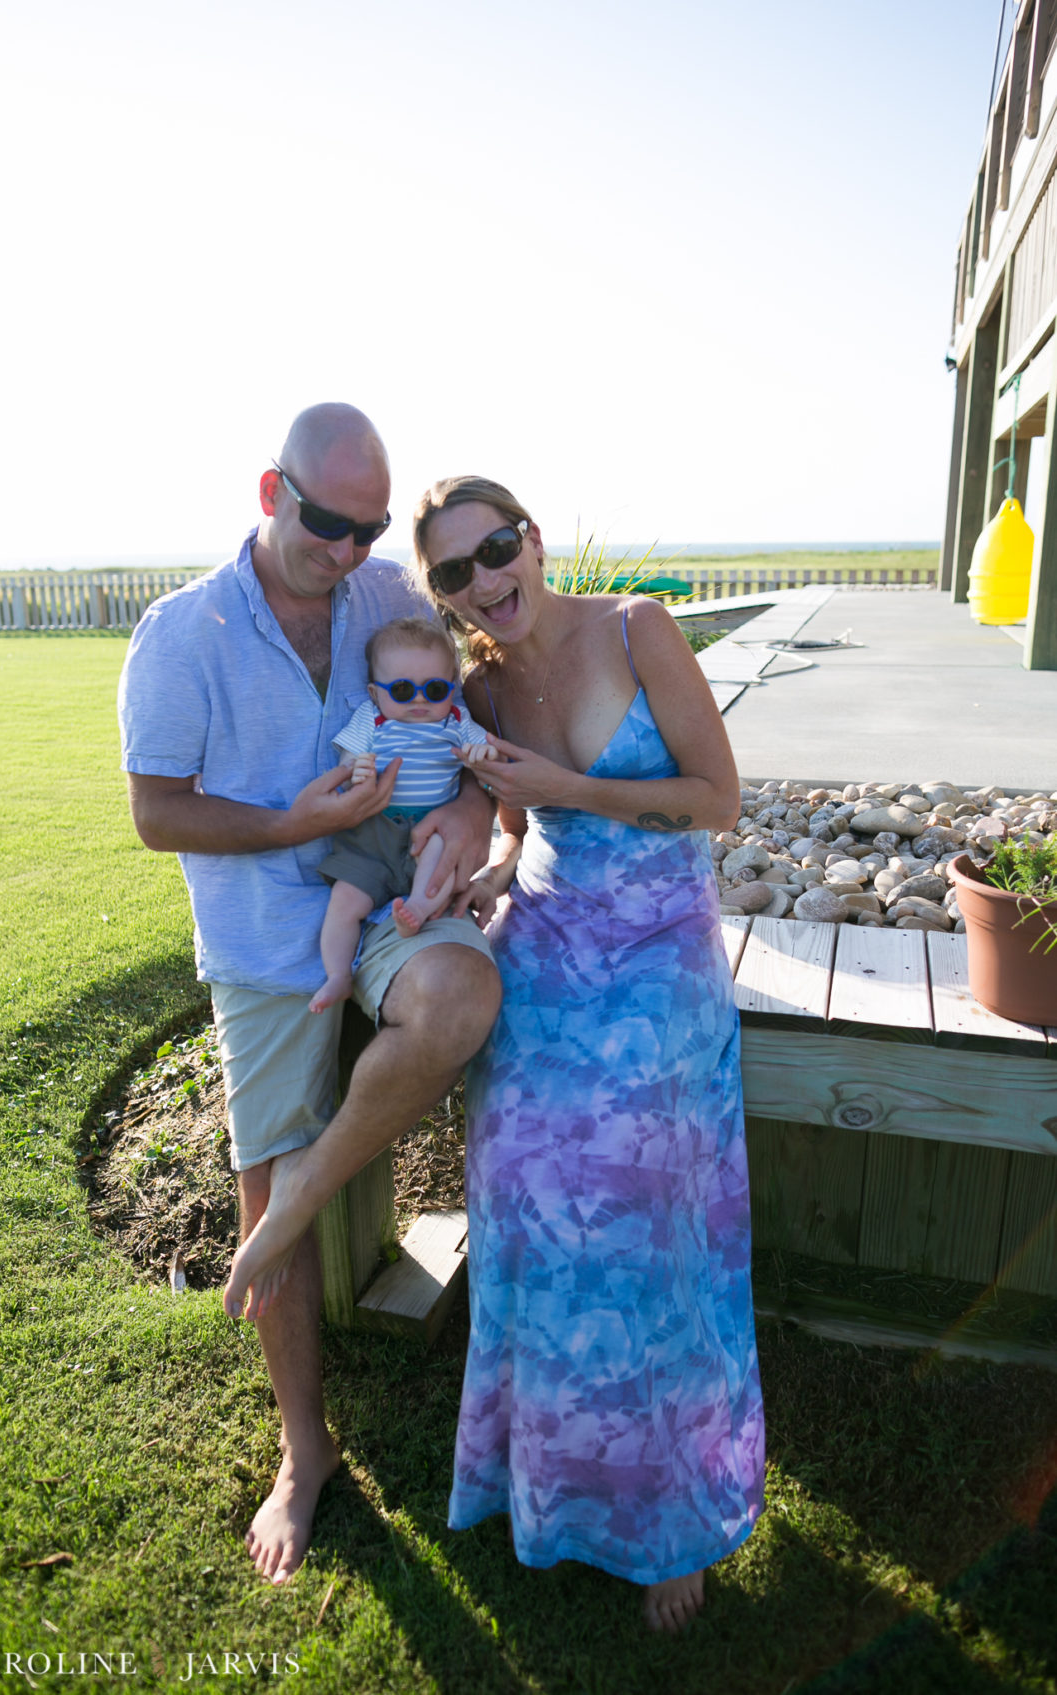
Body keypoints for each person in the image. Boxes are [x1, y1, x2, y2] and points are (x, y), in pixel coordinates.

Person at [117, 406, 500, 1586]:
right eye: (329, 524)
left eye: (368, 526)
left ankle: (295, 1205)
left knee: (460, 1000)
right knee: (259, 1165)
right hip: (261, 938)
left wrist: (462, 827)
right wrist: (294, 822)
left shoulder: (386, 595)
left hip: (384, 905)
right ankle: (303, 1453)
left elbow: (463, 743)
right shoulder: (182, 634)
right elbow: (156, 811)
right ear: (270, 490)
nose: (347, 553)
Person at [411, 475, 765, 1635]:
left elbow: (716, 800)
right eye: (453, 572)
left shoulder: (636, 629)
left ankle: (671, 1514)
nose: (484, 581)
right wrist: (492, 871)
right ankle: (549, 1488)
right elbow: (518, 825)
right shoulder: (478, 687)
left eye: (494, 549)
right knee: (517, 1198)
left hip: (660, 945)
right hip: (548, 941)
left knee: (642, 1217)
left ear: (533, 539)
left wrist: (571, 786)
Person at [309, 616, 500, 1015]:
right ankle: (338, 975)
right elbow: (350, 760)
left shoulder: (456, 722)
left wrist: (483, 755)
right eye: (401, 689)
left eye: (434, 689)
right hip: (373, 835)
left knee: (443, 859)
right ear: (375, 694)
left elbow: (488, 750)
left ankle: (418, 907)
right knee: (345, 900)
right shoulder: (370, 720)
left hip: (432, 826)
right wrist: (358, 769)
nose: (419, 700)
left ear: (452, 689)